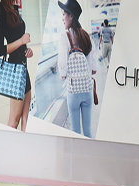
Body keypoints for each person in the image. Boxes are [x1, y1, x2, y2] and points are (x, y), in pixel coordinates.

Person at [57, 0, 96, 138]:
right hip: (87, 89)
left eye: (64, 14)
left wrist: (62, 74)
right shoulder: (86, 36)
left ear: (71, 16)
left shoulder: (64, 36)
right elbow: (93, 68)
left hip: (73, 91)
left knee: (75, 131)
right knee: (88, 130)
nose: (62, 18)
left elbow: (62, 63)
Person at [0, 0, 33, 131]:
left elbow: (19, 38)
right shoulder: (2, 9)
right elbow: (0, 49)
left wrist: (27, 50)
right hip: (15, 70)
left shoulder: (14, 7)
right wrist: (21, 41)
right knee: (14, 121)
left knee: (26, 119)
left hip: (23, 67)